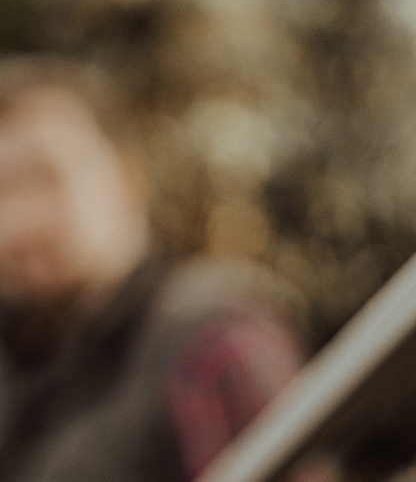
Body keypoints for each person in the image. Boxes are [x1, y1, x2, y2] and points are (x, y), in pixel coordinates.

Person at [0, 57, 310, 481]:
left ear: (126, 179)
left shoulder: (214, 343)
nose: (18, 221)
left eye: (44, 179)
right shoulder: (22, 360)